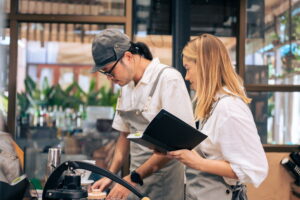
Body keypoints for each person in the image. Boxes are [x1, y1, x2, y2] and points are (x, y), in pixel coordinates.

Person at [90, 29, 195, 200]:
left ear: (128, 57)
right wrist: (110, 176)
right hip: (135, 180)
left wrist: (133, 178)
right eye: (104, 73)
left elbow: (178, 144)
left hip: (164, 182)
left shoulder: (168, 79)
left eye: (110, 71)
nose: (109, 78)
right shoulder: (126, 86)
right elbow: (124, 135)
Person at [165, 34, 269, 200]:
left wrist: (198, 162)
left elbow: (254, 168)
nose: (186, 77)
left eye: (188, 68)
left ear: (204, 66)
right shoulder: (215, 106)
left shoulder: (229, 108)